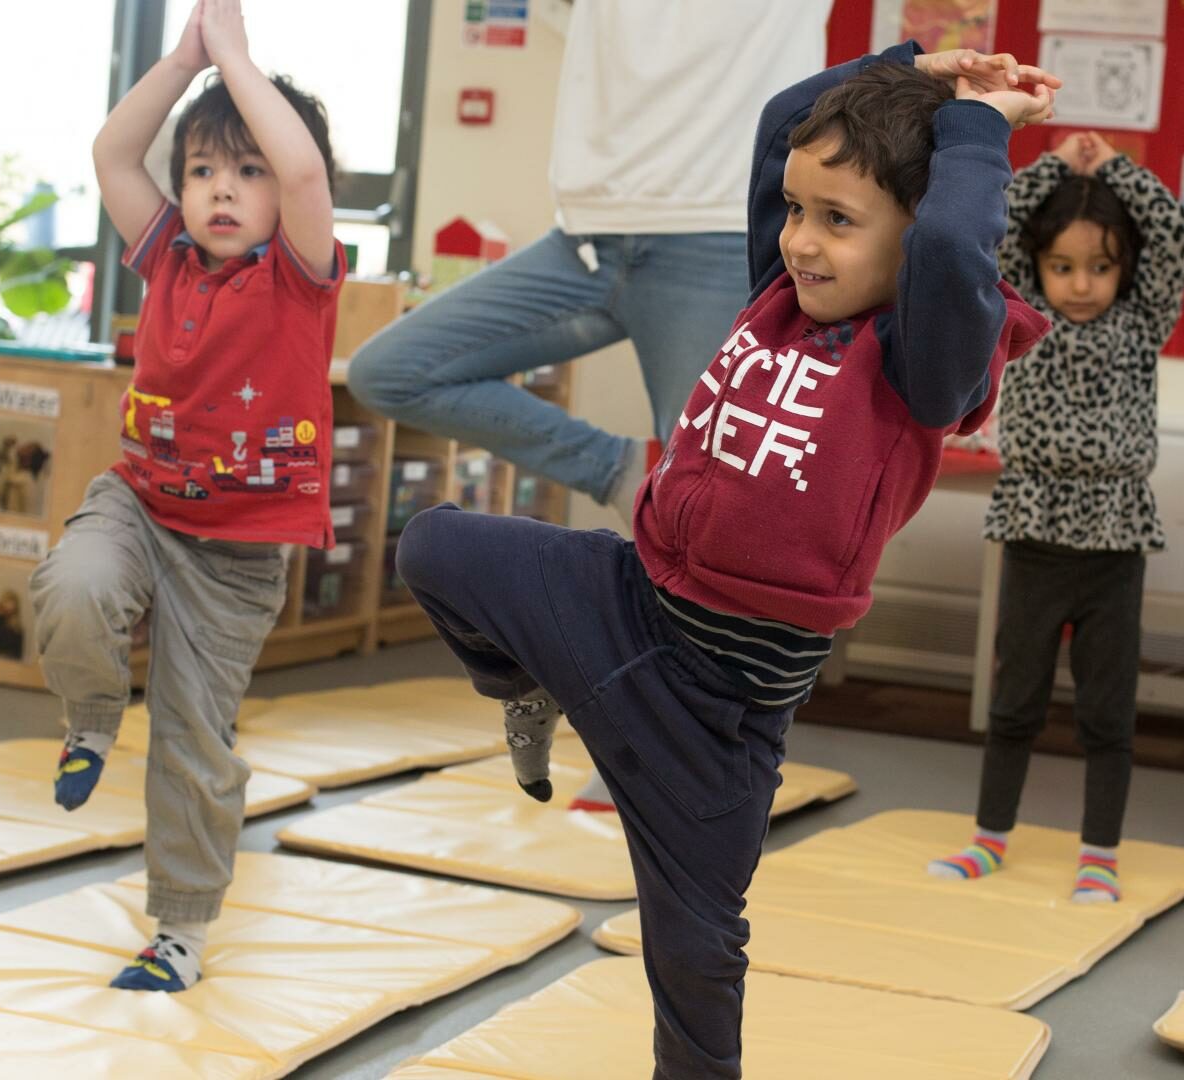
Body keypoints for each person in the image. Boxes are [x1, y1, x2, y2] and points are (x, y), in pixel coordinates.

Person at [395, 44, 1055, 1078]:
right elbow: (779, 128)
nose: (801, 241)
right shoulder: (776, 294)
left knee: (695, 956)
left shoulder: (922, 365)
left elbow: (960, 259)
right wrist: (914, 63)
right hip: (630, 601)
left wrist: (975, 122)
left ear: (911, 236)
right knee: (433, 544)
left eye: (839, 222)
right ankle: (528, 687)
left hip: (717, 713)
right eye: (797, 212)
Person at [27, 0, 343, 993]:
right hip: (141, 501)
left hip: (239, 549)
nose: (221, 191)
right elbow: (114, 153)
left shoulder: (300, 275)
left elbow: (300, 171)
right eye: (205, 169)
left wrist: (239, 63)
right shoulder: (164, 254)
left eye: (245, 173)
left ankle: (179, 932)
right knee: (72, 588)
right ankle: (88, 717)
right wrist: (180, 61)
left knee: (195, 744)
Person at [346, 0, 829, 531]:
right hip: (584, 239)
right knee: (388, 372)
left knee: (704, 504)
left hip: (714, 235)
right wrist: (608, 468)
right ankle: (617, 469)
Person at [926, 130, 1184, 902]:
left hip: (1115, 540)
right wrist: (1053, 169)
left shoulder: (1143, 324)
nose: (1081, 285)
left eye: (1101, 267)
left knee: (1108, 712)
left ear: (1125, 270)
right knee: (1015, 701)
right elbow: (996, 222)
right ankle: (988, 839)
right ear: (1038, 270)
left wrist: (1113, 171)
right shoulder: (1022, 317)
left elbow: (1173, 235)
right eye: (1064, 267)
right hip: (1034, 530)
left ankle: (1099, 853)